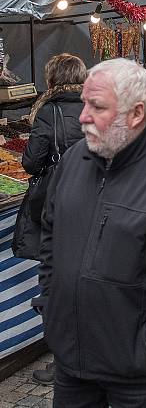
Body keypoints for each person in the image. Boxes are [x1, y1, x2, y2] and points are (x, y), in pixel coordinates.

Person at [32, 58, 146, 407]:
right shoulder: (73, 161)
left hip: (137, 369)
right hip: (72, 361)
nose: (83, 116)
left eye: (97, 106)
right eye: (85, 103)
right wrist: (49, 303)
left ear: (135, 114)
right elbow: (50, 236)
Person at [19, 53, 86, 386]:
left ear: (51, 80)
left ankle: (64, 362)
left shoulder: (49, 112)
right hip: (92, 201)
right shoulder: (95, 107)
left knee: (56, 280)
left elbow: (31, 162)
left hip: (58, 206)